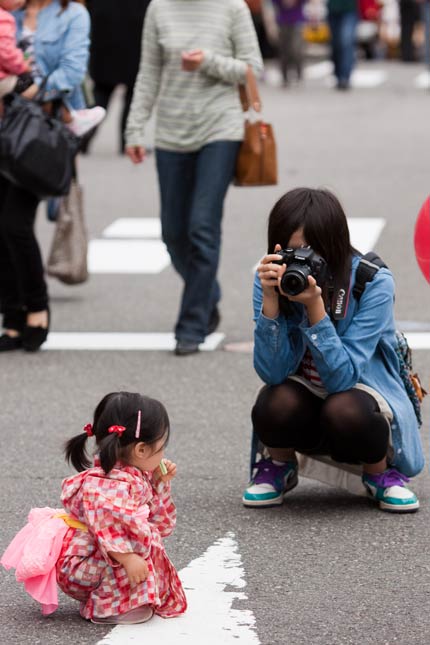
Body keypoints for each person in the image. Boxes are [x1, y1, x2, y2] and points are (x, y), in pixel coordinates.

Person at [242, 187, 424, 512]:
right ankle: (279, 465)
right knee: (274, 401)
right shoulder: (271, 279)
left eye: (310, 252)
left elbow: (342, 379)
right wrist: (272, 305)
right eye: (290, 251)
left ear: (334, 244)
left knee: (345, 408)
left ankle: (379, 473)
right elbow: (271, 372)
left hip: (359, 391)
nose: (300, 262)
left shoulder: (372, 283)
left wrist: (315, 309)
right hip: (303, 394)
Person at [125, 0, 263, 356]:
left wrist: (208, 62)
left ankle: (191, 325)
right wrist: (135, 128)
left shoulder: (232, 7)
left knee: (202, 227)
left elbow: (253, 69)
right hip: (171, 132)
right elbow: (148, 72)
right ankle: (207, 293)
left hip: (221, 129)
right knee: (173, 233)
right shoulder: (158, 7)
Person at [1, 391, 187, 625]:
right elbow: (108, 529)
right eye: (161, 449)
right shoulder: (109, 485)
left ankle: (121, 597)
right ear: (140, 450)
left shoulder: (131, 476)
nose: (163, 455)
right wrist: (127, 558)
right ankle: (106, 607)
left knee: (145, 544)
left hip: (95, 555)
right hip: (83, 562)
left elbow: (159, 525)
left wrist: (159, 482)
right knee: (139, 551)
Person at [0, 0, 91, 353]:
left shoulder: (72, 14)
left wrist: (26, 88)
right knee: (0, 225)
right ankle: (12, 315)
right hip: (5, 128)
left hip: (39, 133)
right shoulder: (11, 12)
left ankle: (37, 308)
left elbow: (71, 72)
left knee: (14, 223)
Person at [82, 0, 151, 154]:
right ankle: (127, 143)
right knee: (129, 94)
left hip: (105, 41)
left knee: (101, 93)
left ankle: (84, 137)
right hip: (133, 40)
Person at [271, 0, 306, 85]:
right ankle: (284, 77)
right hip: (282, 20)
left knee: (296, 48)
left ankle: (299, 75)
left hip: (297, 19)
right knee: (284, 50)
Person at [327, 0, 358, 90]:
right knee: (335, 44)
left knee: (346, 41)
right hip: (333, 9)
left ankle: (344, 77)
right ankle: (338, 74)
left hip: (349, 9)